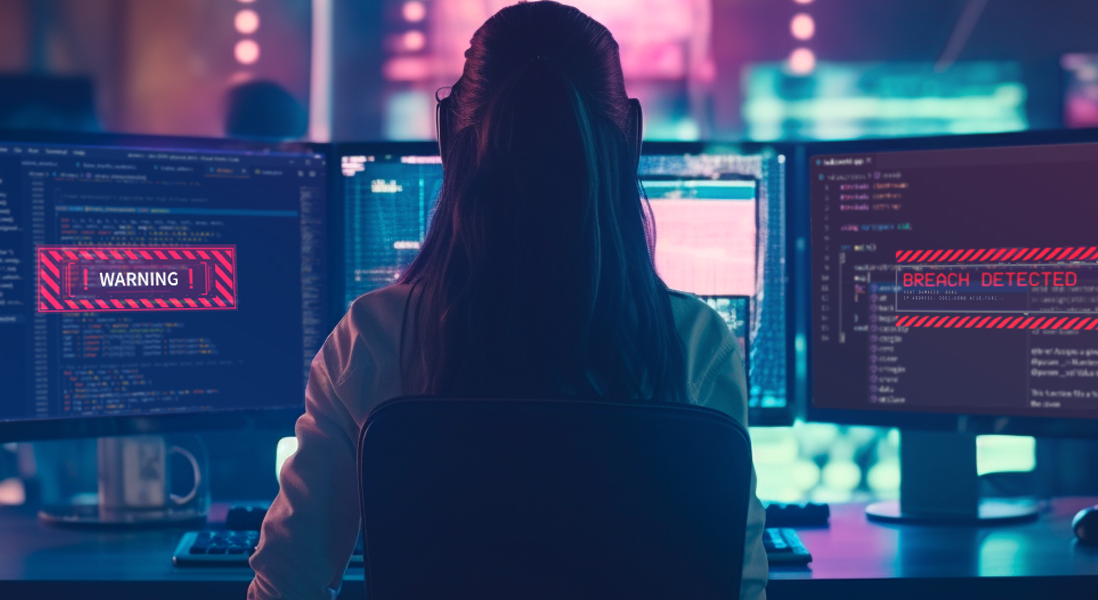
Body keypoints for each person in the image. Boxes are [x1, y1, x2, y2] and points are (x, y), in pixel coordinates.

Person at [247, 3, 767, 599]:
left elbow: (289, 586)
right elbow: (740, 587)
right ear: (632, 136)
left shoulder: (372, 338)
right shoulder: (696, 342)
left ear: (446, 138)